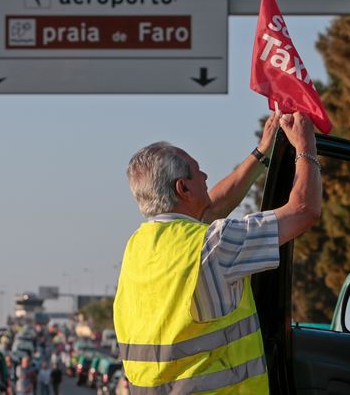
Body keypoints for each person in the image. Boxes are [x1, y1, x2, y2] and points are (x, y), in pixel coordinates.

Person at [114, 112, 323, 393]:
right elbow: (303, 211)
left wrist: (262, 153)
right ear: (183, 188)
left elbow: (211, 209)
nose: (206, 176)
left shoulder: (138, 247)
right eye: (198, 171)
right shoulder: (215, 246)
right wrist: (305, 147)